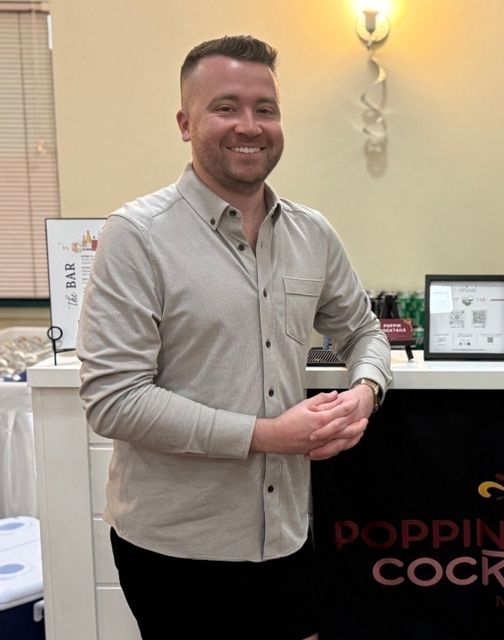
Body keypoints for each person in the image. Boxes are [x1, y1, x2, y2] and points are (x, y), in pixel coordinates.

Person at [76, 35, 391, 639]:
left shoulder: (312, 234)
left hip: (288, 535)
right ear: (185, 122)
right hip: (177, 549)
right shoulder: (136, 236)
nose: (250, 125)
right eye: (226, 107)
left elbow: (362, 331)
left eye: (264, 108)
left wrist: (367, 391)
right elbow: (114, 398)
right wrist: (269, 436)